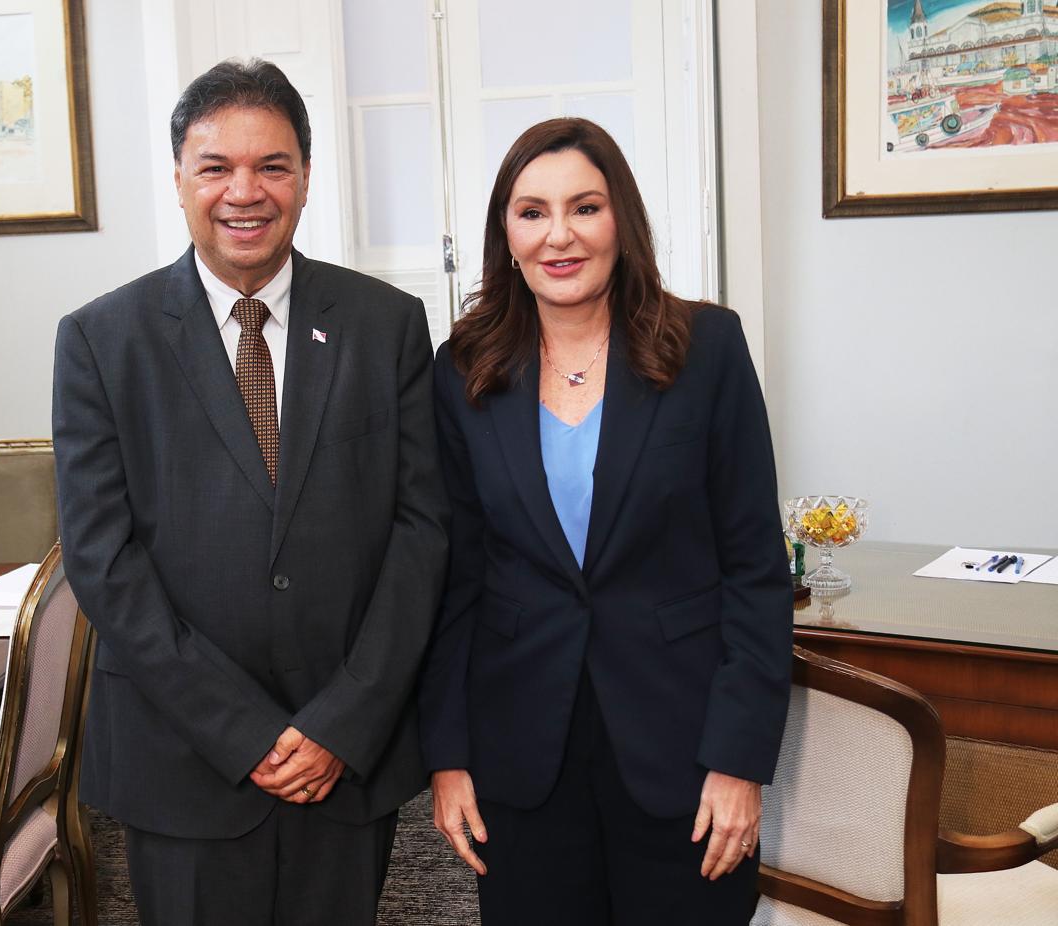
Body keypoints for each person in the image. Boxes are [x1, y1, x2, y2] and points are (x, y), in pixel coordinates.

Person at [52, 58, 448, 926]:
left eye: (272, 165)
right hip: (182, 754)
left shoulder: (386, 325)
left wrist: (343, 721)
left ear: (305, 177)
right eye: (216, 167)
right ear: (179, 180)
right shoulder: (101, 341)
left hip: (345, 751)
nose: (245, 192)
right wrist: (241, 730)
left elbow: (423, 533)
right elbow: (102, 560)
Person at [418, 117, 792, 925]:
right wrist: (447, 757)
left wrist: (740, 761)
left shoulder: (707, 348)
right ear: (506, 234)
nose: (560, 235)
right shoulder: (464, 369)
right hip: (520, 755)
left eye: (584, 207)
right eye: (532, 212)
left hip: (684, 754)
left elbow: (757, 572)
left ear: (621, 218)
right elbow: (454, 579)